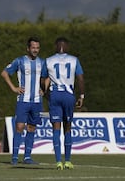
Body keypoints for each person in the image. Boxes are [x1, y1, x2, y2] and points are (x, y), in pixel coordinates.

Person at [1, 37, 45, 165]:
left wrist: (44, 89)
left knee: (32, 128)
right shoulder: (19, 61)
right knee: (19, 127)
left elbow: (47, 77)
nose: (35, 50)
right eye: (33, 48)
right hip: (23, 101)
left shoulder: (42, 63)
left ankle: (27, 157)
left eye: (37, 48)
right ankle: (14, 157)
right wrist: (13, 88)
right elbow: (4, 73)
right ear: (28, 48)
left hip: (37, 101)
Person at [42, 37, 85, 170]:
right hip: (68, 95)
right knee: (67, 127)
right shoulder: (74, 60)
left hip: (55, 95)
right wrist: (82, 96)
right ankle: (67, 161)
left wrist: (46, 93)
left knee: (56, 127)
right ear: (67, 46)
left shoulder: (48, 60)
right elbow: (80, 78)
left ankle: (58, 162)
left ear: (56, 46)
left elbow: (42, 79)